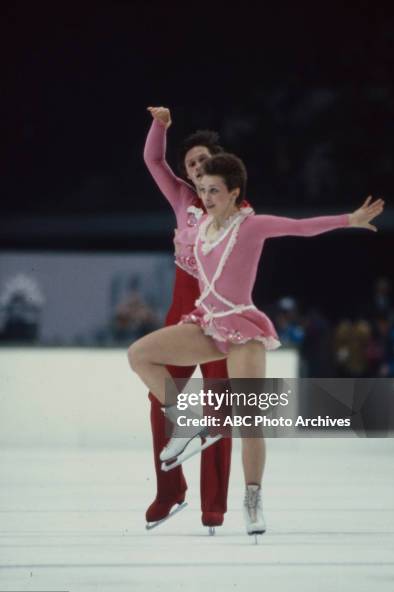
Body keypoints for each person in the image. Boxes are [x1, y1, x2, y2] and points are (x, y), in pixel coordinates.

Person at [129, 151, 385, 535]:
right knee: (140, 355)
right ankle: (185, 423)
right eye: (202, 189)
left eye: (214, 190)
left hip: (242, 330)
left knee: (249, 422)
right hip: (207, 325)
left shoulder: (251, 226)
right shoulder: (201, 229)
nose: (206, 197)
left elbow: (300, 228)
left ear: (234, 193)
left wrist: (349, 219)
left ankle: (252, 498)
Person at [142, 107, 233, 531]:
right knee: (161, 396)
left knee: (220, 411)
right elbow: (153, 161)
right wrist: (160, 125)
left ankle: (213, 505)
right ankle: (169, 488)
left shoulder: (235, 204)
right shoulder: (181, 198)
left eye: (201, 161)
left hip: (221, 314)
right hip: (181, 311)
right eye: (190, 165)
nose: (195, 169)